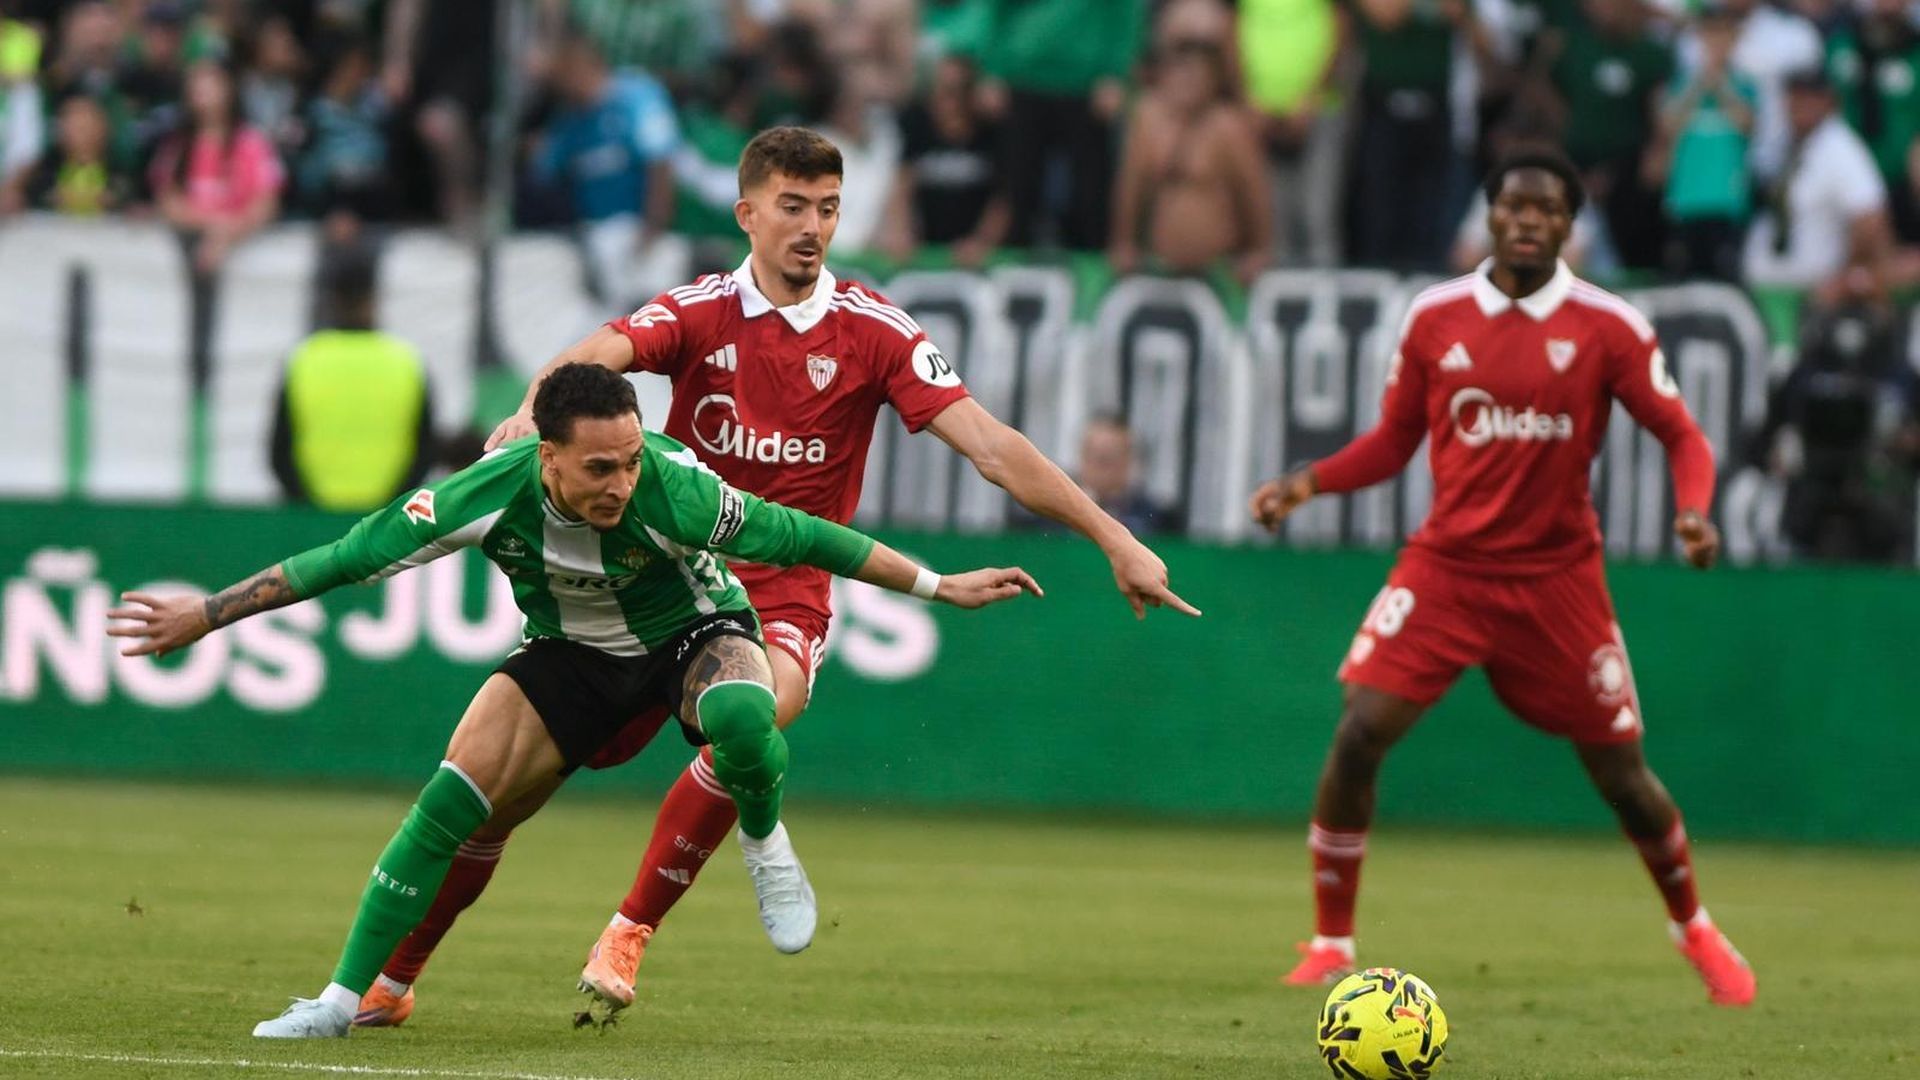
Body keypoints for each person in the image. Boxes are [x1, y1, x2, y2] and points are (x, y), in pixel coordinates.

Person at [352, 126, 1198, 1028]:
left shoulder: (875, 332)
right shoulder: (703, 310)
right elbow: (600, 348)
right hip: (659, 579)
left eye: (828, 209)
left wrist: (1114, 537)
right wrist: (530, 408)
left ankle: (631, 928)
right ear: (747, 212)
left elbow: (990, 446)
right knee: (501, 797)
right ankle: (393, 980)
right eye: (793, 207)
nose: (813, 228)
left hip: (784, 589)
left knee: (759, 710)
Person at [107, 361, 1039, 1039]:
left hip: (692, 633)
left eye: (631, 460)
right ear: (546, 457)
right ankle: (351, 1000)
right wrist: (208, 613)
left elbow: (807, 536)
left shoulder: (673, 489)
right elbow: (343, 560)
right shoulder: (484, 494)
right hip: (570, 652)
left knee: (746, 719)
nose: (621, 481)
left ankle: (761, 834)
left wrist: (937, 585)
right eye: (600, 468)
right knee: (457, 800)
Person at [1248, 147, 1757, 1008]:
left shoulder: (1609, 326)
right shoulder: (1435, 317)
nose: (1527, 221)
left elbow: (1683, 435)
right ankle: (1331, 941)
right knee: (1361, 728)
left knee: (1623, 777)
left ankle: (1695, 927)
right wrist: (1309, 480)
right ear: (1490, 216)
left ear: (1569, 223)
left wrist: (1695, 512)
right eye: (1513, 207)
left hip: (1559, 580)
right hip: (1448, 568)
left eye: (1546, 209)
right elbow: (1393, 441)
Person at [269, 246, 434, 512]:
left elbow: (279, 454)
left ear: (332, 298)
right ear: (375, 297)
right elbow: (425, 452)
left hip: (313, 525)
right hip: (383, 528)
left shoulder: (304, 359)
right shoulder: (405, 361)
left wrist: (309, 507)